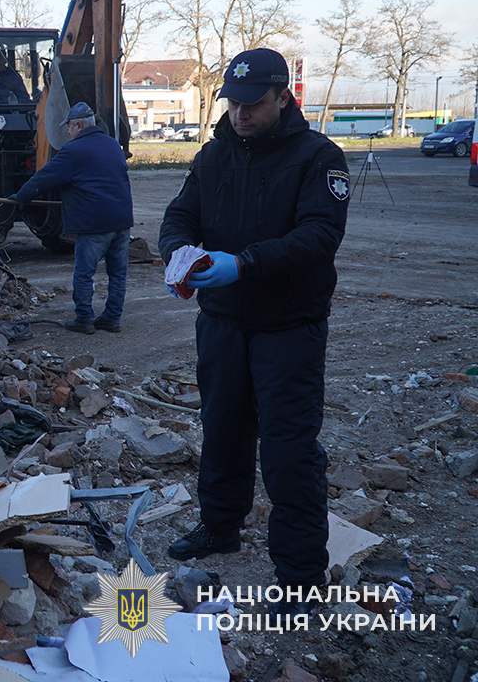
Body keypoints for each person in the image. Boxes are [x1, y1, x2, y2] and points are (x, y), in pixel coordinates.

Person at [158, 48, 350, 615]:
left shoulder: (318, 157)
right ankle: (220, 526)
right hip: (221, 322)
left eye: (253, 104)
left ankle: (299, 575)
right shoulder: (215, 157)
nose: (240, 114)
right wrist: (179, 254)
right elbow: (179, 216)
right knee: (221, 429)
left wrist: (243, 263)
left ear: (283, 96)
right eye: (232, 103)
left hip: (287, 327)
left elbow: (319, 235)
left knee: (289, 450)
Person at [8, 101, 132, 334]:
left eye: (69, 127)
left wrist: (21, 197)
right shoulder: (113, 145)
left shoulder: (73, 150)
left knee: (84, 273)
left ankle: (84, 319)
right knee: (118, 274)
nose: (67, 131)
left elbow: (44, 178)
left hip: (95, 223)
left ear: (78, 125)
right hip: (122, 221)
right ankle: (112, 318)